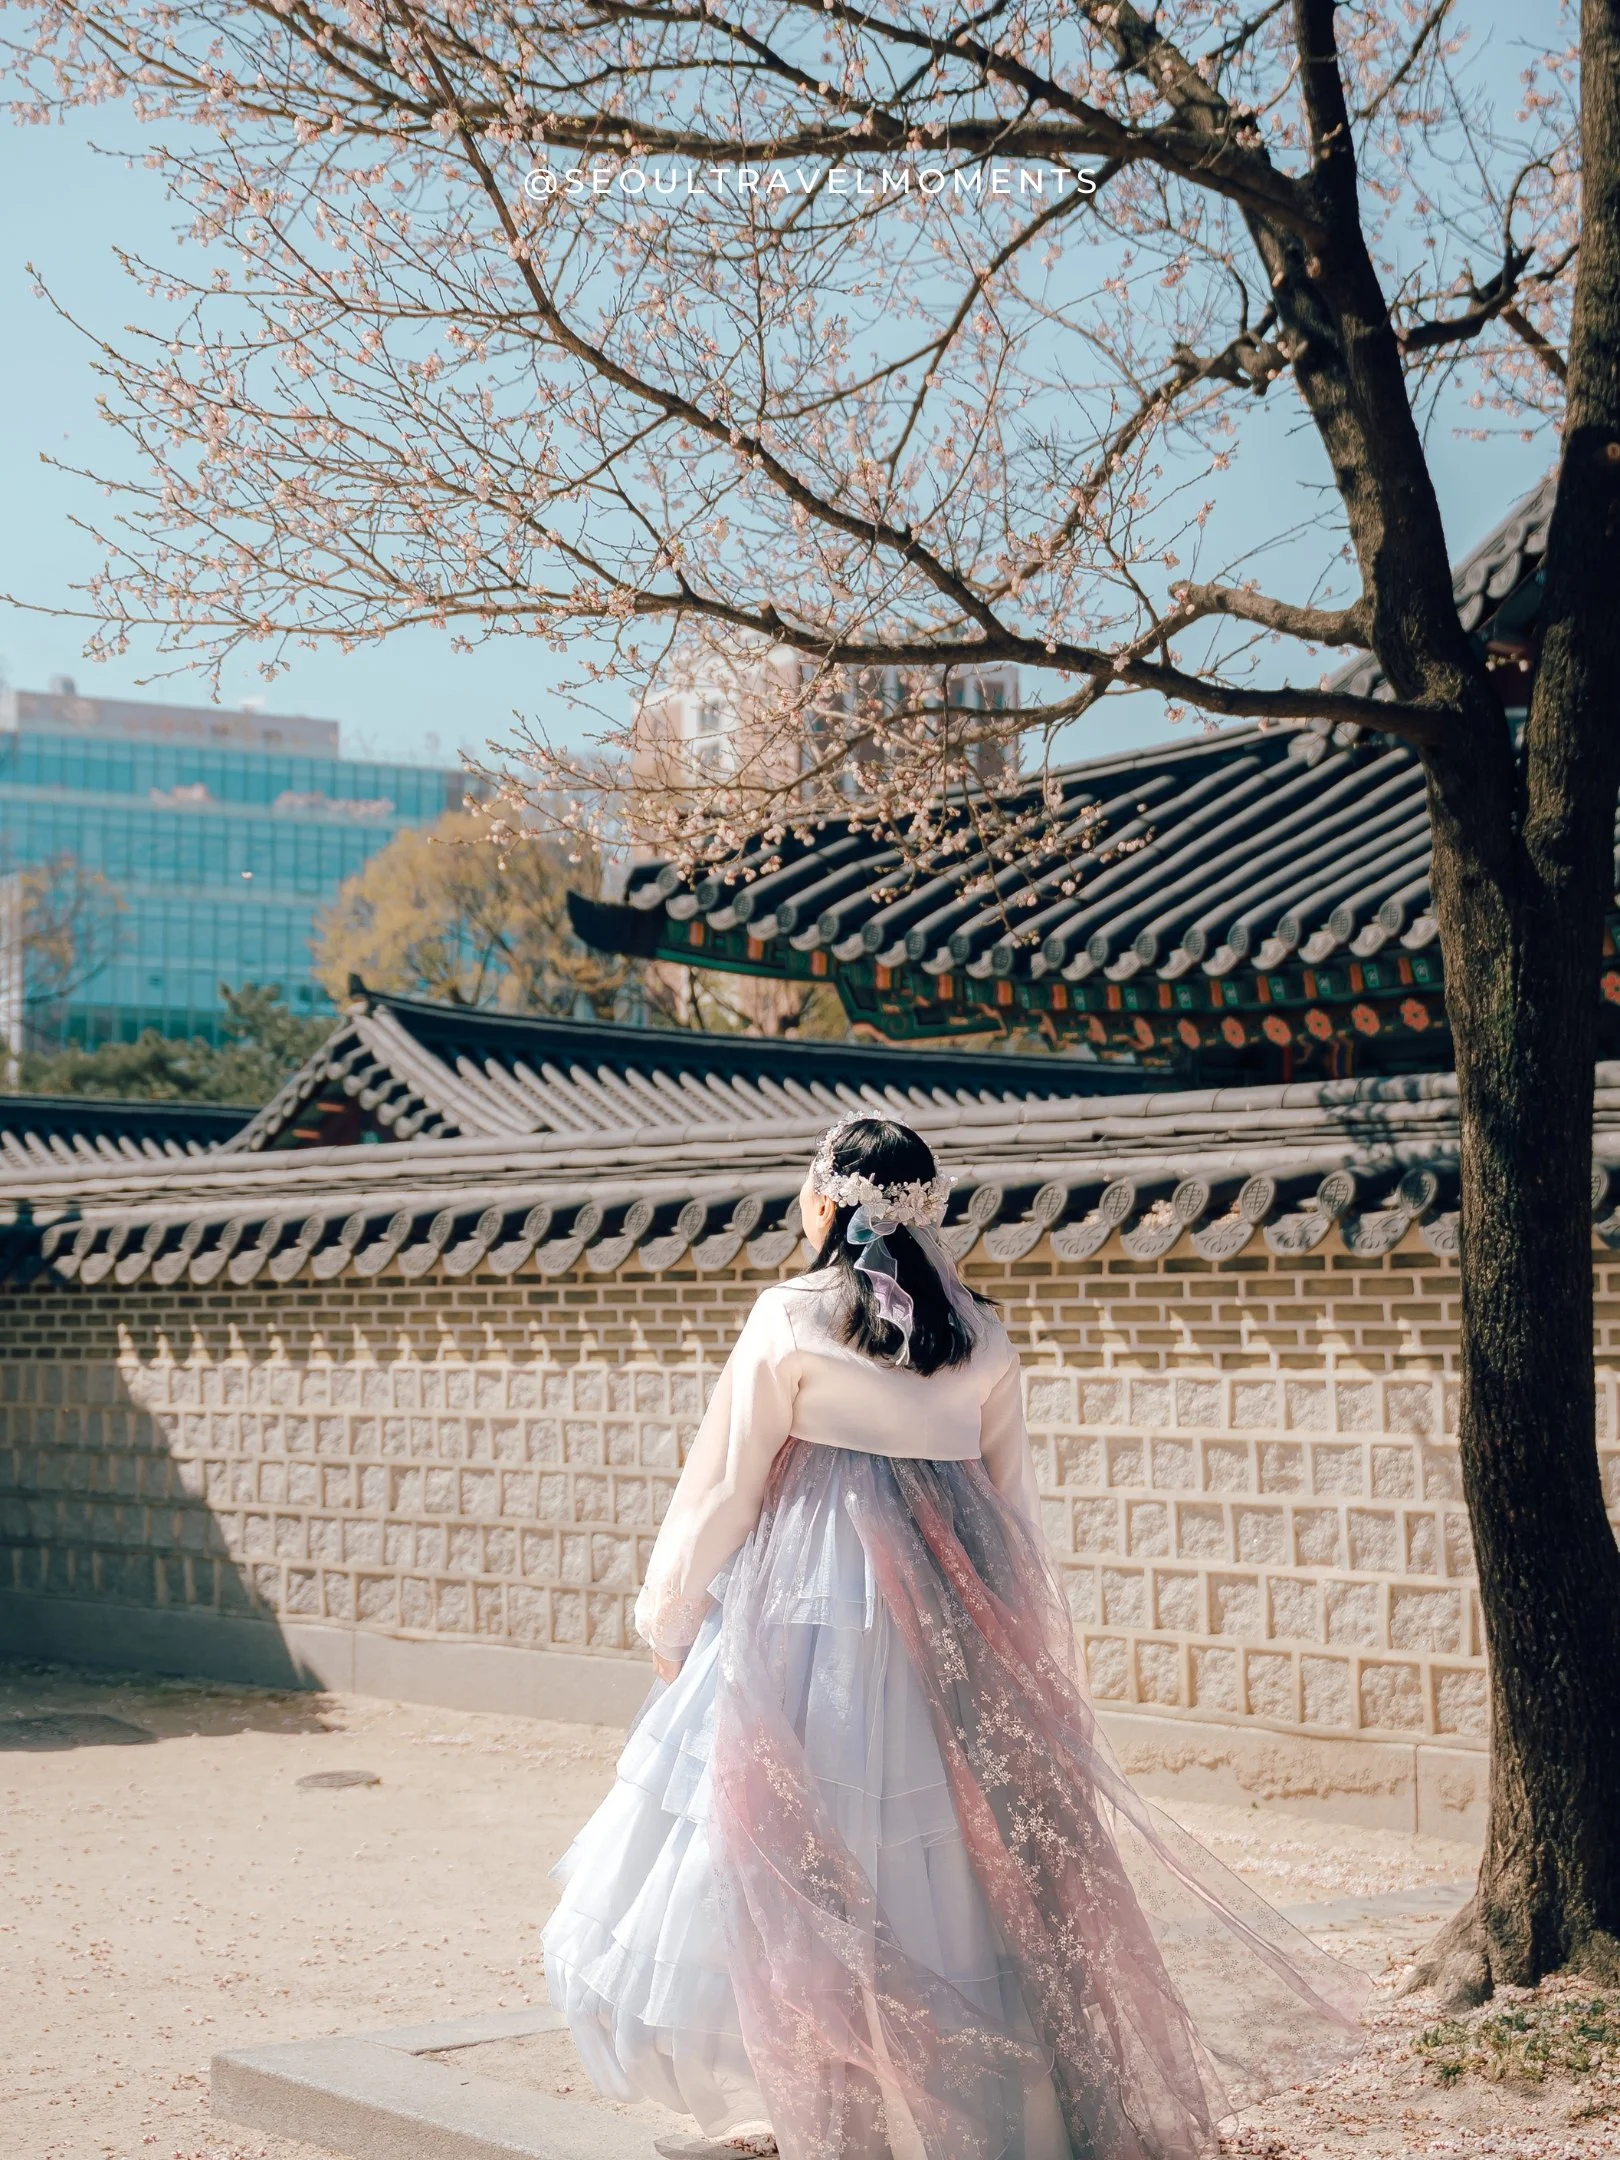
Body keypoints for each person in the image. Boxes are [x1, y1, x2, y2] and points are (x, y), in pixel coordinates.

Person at [543, 1114, 1368, 2160]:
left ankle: (842, 2107)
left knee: (798, 1841)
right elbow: (1011, 1508)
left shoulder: (791, 1318)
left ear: (831, 1201)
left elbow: (723, 1487)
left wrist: (669, 1612)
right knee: (958, 1853)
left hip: (807, 1625)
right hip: (956, 1625)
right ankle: (961, 2097)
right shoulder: (981, 1332)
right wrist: (1030, 1652)